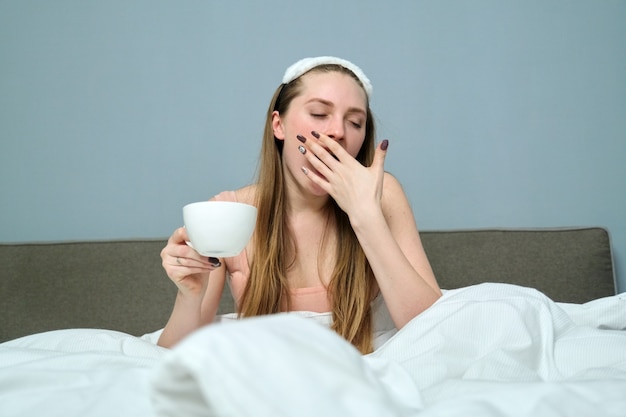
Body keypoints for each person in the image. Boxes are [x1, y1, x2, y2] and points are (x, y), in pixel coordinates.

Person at [157, 56, 442, 353]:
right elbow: (173, 355)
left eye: (355, 122)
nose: (338, 132)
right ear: (278, 126)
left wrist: (366, 216)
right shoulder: (230, 212)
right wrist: (188, 296)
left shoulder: (382, 197)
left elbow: (434, 330)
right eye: (319, 114)